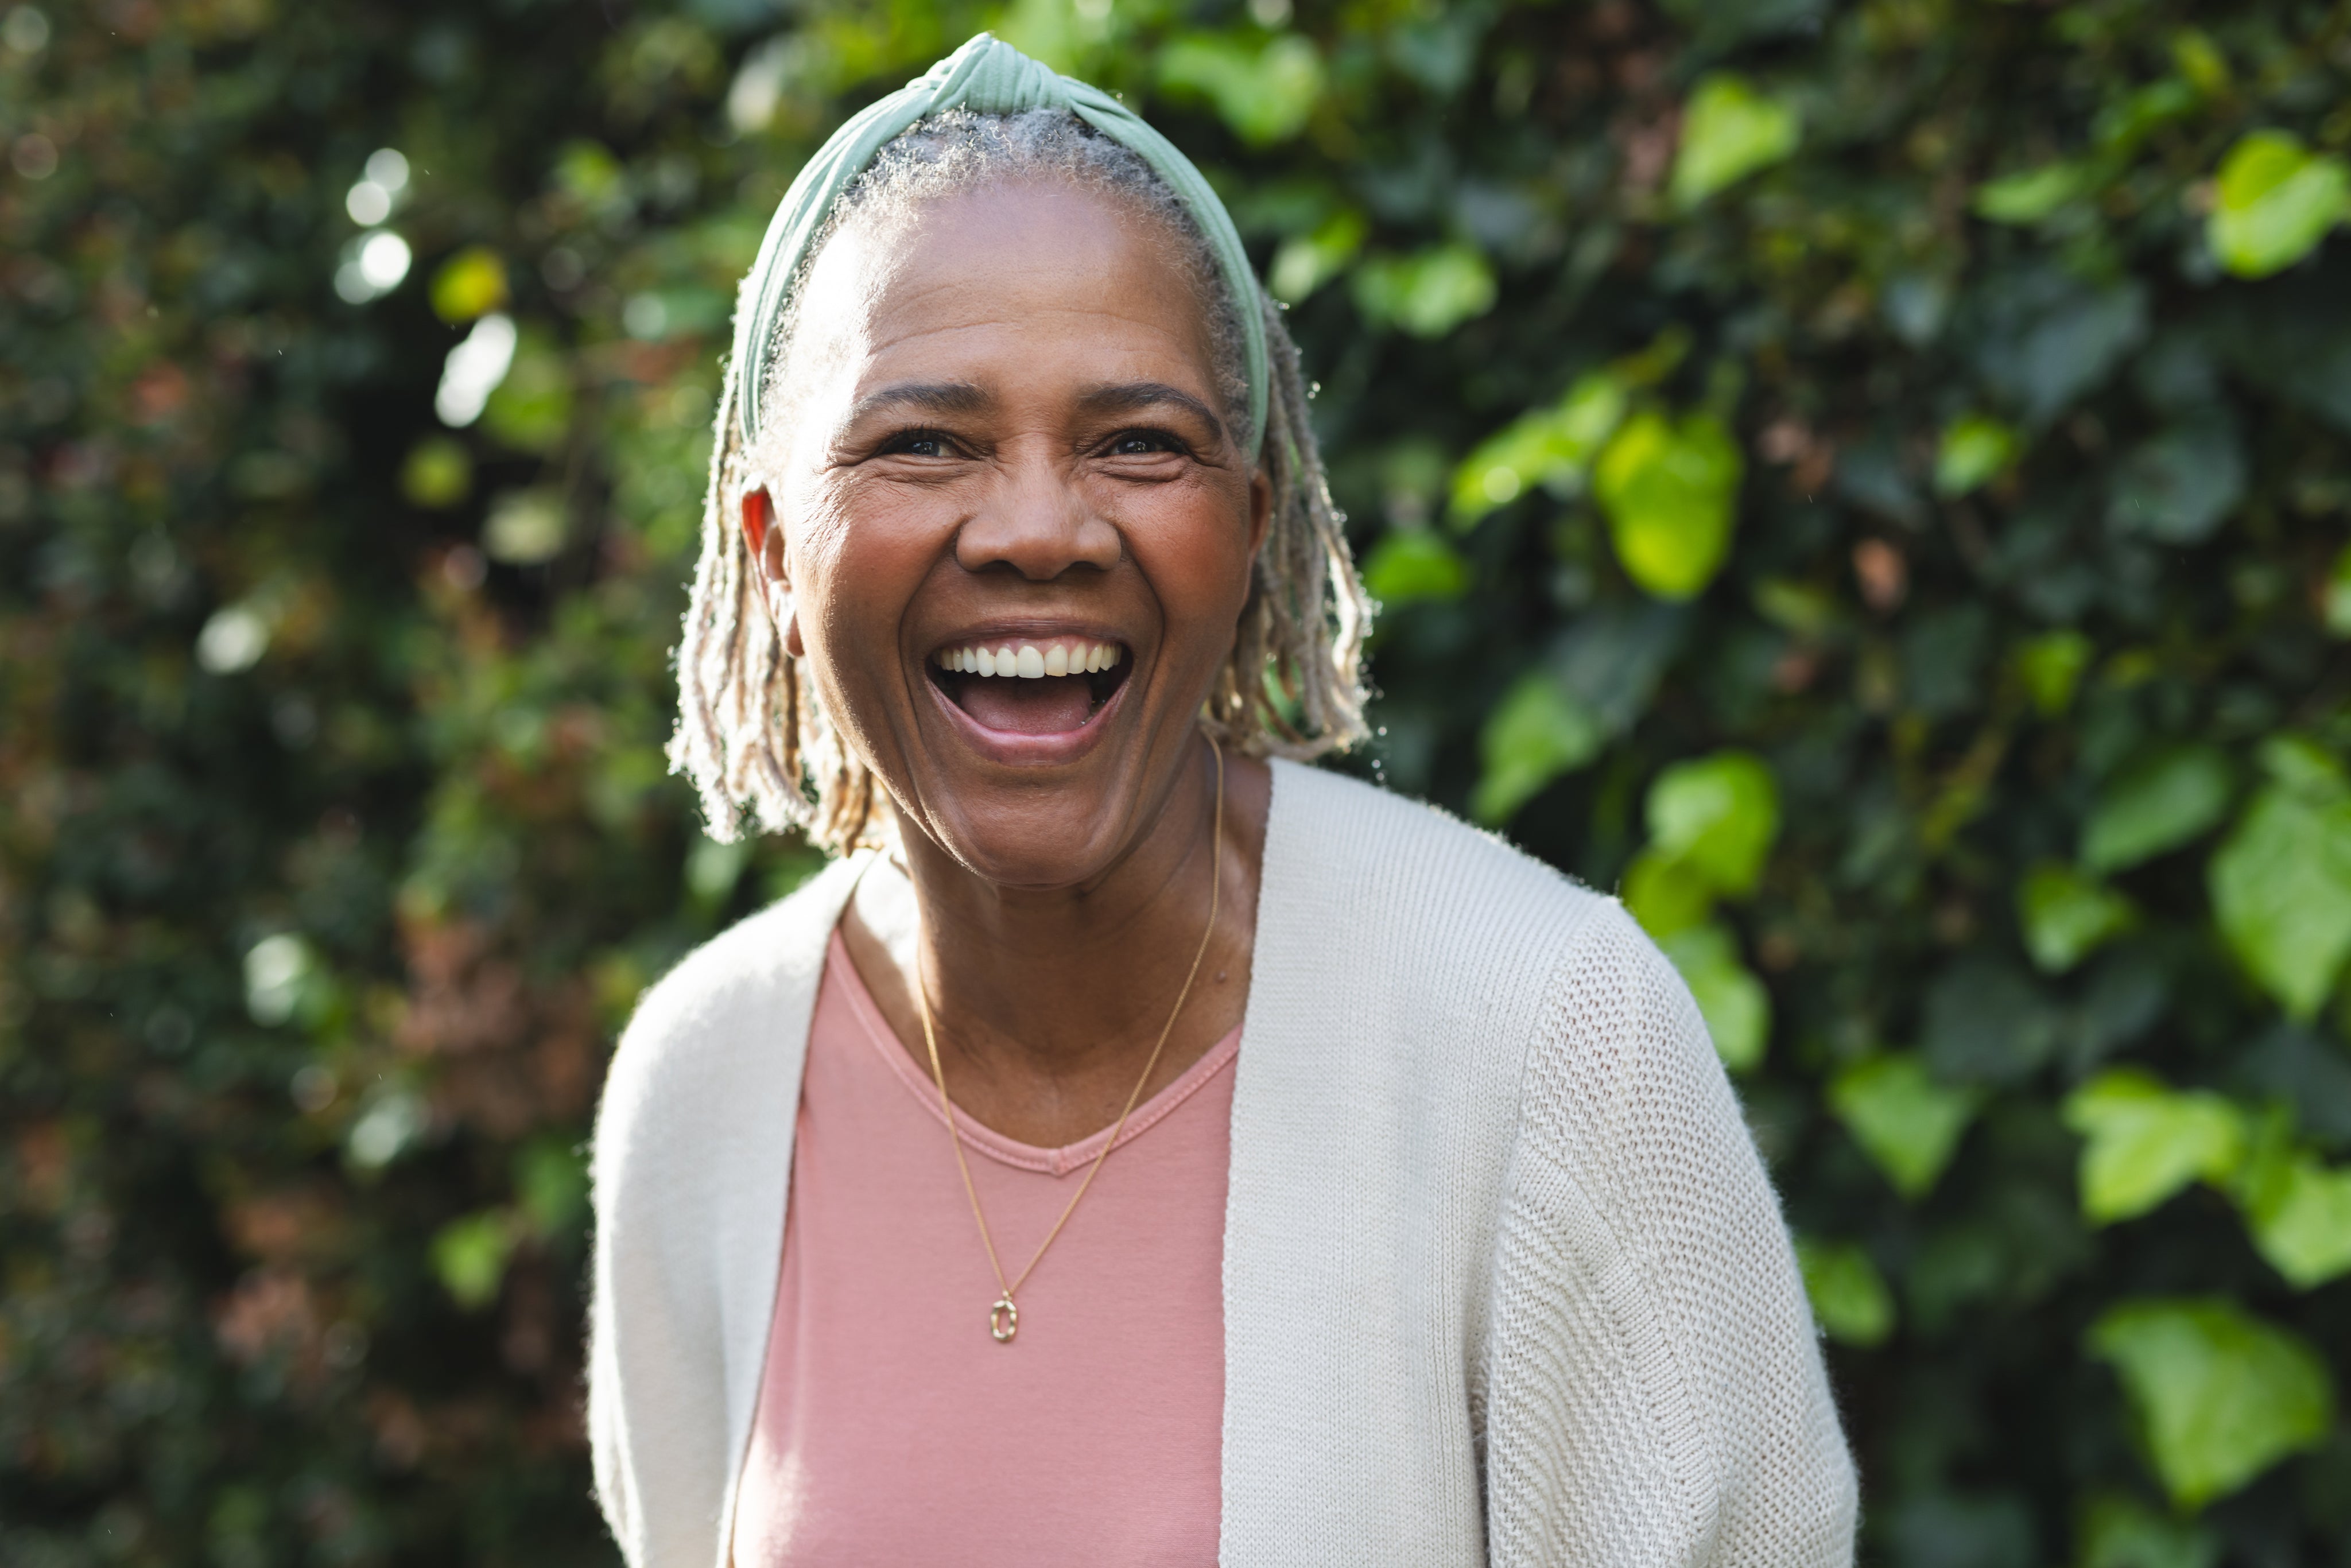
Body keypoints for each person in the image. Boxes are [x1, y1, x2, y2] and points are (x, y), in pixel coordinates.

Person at [588, 33, 1855, 1568]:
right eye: (924, 442)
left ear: (1252, 525)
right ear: (777, 550)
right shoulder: (707, 1085)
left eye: (1138, 442)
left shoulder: (1546, 1044)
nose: (1040, 526)